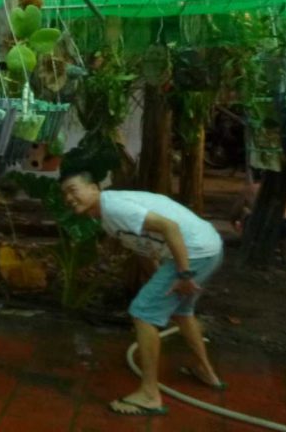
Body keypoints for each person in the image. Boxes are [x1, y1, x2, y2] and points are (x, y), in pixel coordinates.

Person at [60, 166, 225, 417]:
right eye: (65, 195)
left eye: (74, 190)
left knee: (143, 312)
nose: (69, 199)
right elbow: (143, 248)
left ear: (94, 188)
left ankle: (149, 395)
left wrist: (183, 274)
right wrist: (160, 273)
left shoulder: (114, 207)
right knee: (181, 311)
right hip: (209, 247)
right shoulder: (106, 216)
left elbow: (169, 227)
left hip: (194, 252)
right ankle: (207, 373)